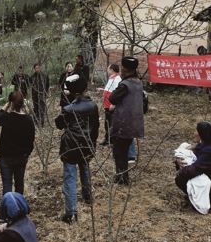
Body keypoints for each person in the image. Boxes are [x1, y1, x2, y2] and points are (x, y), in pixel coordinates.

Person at [55, 74, 99, 224]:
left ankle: (71, 212)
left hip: (70, 146)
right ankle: (88, 197)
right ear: (85, 88)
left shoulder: (68, 109)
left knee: (70, 177)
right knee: (85, 169)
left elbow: (59, 124)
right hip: (87, 144)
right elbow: (95, 128)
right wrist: (93, 144)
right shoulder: (93, 106)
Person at [0, 91, 35, 222]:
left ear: (11, 103)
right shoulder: (28, 120)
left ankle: (3, 215)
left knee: (7, 185)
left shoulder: (7, 117)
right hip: (21, 157)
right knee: (19, 184)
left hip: (6, 157)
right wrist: (26, 154)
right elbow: (31, 141)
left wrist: (6, 106)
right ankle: (18, 212)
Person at [109, 56, 144, 185]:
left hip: (123, 124)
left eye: (123, 69)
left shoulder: (125, 85)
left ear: (125, 69)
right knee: (123, 151)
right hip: (135, 123)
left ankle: (122, 179)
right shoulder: (138, 82)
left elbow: (112, 98)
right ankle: (123, 177)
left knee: (119, 152)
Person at [175, 121, 211, 209]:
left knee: (181, 178)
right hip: (210, 180)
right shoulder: (204, 146)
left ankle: (209, 200)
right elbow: (190, 157)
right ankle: (196, 196)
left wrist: (182, 168)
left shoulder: (209, 151)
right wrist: (178, 161)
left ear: (202, 134)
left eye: (197, 132)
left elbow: (194, 169)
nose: (195, 134)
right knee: (182, 176)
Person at [97, 64, 121, 146]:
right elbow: (110, 89)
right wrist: (103, 90)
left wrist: (114, 104)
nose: (107, 70)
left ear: (112, 70)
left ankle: (111, 140)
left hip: (111, 105)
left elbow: (117, 93)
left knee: (111, 123)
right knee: (107, 123)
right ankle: (107, 139)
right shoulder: (112, 78)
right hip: (107, 104)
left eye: (108, 68)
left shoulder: (117, 79)